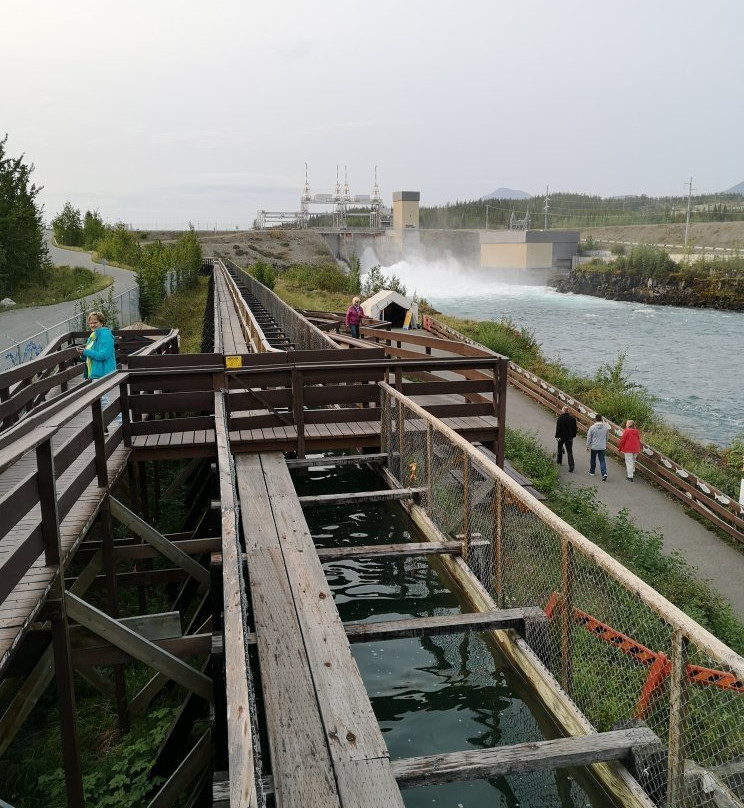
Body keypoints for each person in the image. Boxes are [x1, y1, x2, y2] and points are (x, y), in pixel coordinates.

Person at [76, 311, 117, 430]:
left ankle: (121, 422)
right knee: (101, 401)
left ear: (101, 322)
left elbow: (103, 355)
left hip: (103, 372)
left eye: (95, 322)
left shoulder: (105, 335)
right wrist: (83, 354)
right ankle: (105, 427)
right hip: (95, 372)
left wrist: (85, 352)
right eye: (90, 323)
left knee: (103, 401)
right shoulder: (93, 335)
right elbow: (91, 353)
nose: (92, 325)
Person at [585, 413, 609, 480]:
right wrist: (605, 444)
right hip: (602, 447)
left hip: (594, 446)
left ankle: (592, 472)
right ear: (601, 419)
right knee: (602, 460)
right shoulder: (606, 428)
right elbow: (607, 438)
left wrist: (587, 446)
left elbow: (589, 437)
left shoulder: (592, 427)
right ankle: (604, 473)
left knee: (593, 459)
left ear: (595, 419)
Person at [555, 406, 577, 472]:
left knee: (560, 448)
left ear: (563, 411)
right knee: (569, 451)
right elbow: (574, 429)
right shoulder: (573, 419)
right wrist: (573, 435)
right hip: (569, 438)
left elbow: (558, 429)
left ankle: (559, 460)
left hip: (561, 437)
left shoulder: (560, 418)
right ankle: (571, 465)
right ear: (568, 411)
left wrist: (557, 436)